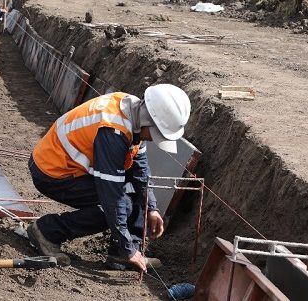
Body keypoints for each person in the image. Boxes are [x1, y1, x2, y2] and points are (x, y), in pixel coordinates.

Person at [27, 84, 191, 272]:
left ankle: (122, 255)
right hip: (51, 171)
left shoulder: (133, 113)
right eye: (156, 134)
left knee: (136, 193)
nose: (154, 139)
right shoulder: (113, 131)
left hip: (71, 167)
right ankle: (47, 231)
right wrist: (126, 245)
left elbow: (140, 173)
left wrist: (151, 208)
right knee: (120, 205)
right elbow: (111, 197)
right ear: (149, 120)